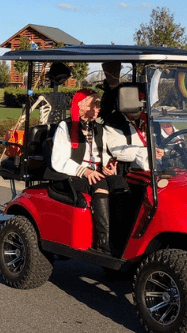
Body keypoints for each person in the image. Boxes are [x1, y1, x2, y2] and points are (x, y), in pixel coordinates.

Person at [44, 89, 128, 256]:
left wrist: (109, 167)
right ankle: (103, 241)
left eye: (99, 104)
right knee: (99, 183)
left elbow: (102, 154)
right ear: (81, 105)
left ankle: (121, 236)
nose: (98, 107)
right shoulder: (65, 126)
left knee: (119, 183)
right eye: (95, 103)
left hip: (93, 173)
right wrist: (84, 171)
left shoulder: (98, 129)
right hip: (68, 175)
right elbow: (59, 160)